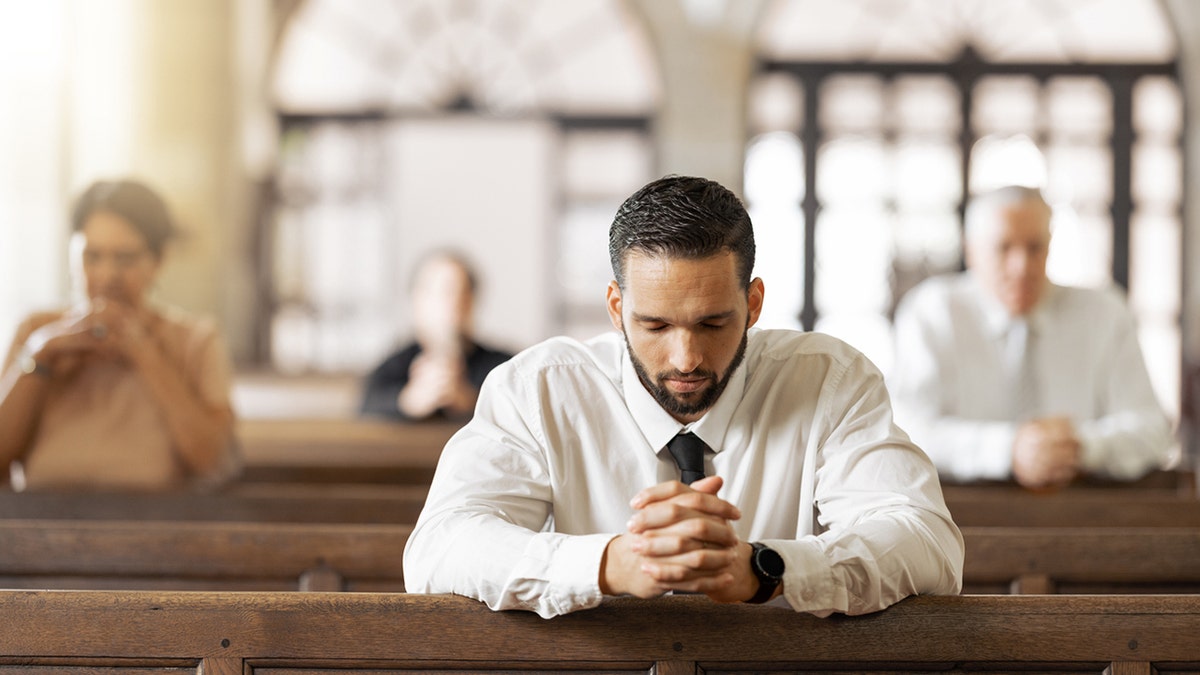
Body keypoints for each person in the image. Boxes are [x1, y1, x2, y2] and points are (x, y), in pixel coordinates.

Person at [403, 175, 963, 618]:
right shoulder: (538, 390)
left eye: (714, 323)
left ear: (755, 303)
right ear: (617, 308)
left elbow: (926, 540)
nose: (685, 358)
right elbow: (439, 549)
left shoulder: (830, 380)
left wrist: (767, 569)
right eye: (654, 325)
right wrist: (608, 564)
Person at [888, 185, 1174, 490]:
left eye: (1035, 247)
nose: (1021, 266)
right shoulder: (932, 313)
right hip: (961, 517)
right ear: (970, 250)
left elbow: (1153, 431)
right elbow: (907, 431)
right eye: (1004, 247)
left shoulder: (1105, 313)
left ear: (1050, 246)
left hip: (1086, 513)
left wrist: (1082, 447)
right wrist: (1007, 449)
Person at [0, 178, 238, 491]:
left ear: (159, 260)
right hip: (40, 535)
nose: (107, 275)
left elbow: (213, 462)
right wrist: (40, 355)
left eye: (125, 258)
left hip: (156, 534)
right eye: (92, 256)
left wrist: (145, 354)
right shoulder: (38, 332)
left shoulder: (195, 340)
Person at [360, 250, 513, 421]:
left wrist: (470, 402)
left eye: (461, 292)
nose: (452, 302)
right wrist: (409, 402)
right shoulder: (393, 367)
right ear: (415, 300)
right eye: (439, 292)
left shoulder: (503, 367)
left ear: (471, 302)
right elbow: (363, 411)